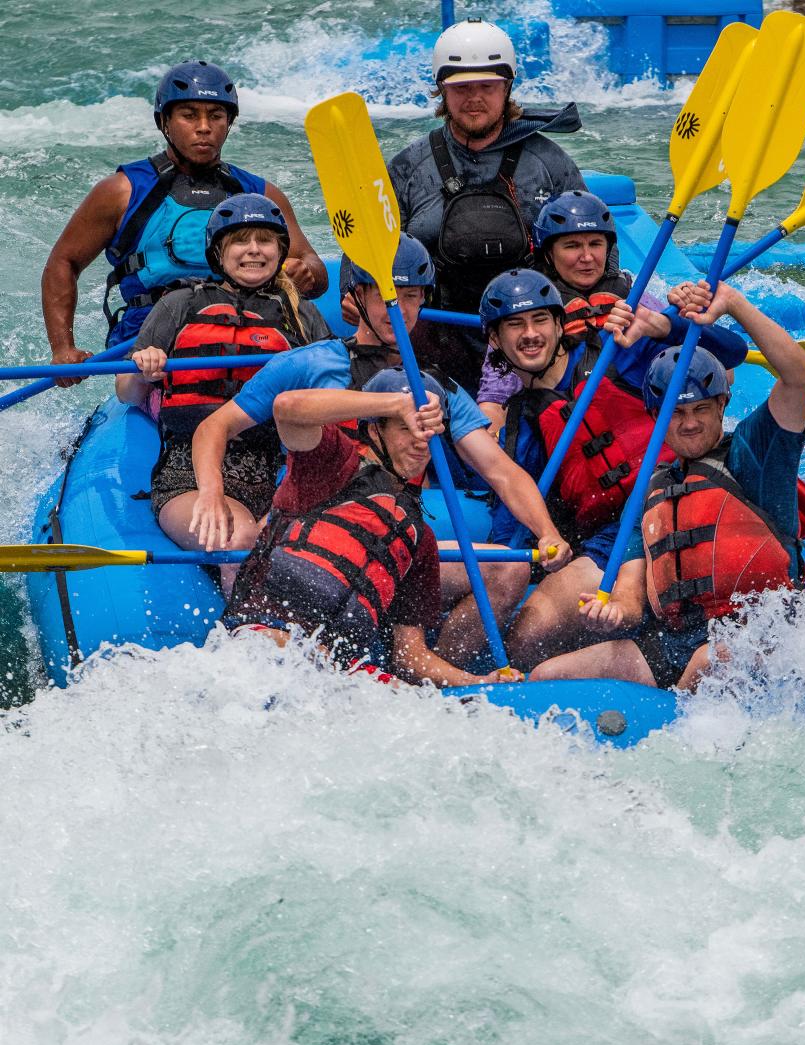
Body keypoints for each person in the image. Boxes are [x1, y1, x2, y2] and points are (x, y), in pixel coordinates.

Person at [191, 235, 573, 667]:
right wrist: (211, 492)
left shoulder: (435, 387)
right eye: (388, 296)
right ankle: (251, 643)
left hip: (393, 541)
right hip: (313, 523)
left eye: (411, 297)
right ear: (356, 295)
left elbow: (501, 471)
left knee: (509, 569)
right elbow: (215, 426)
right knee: (247, 545)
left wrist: (547, 532)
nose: (401, 310)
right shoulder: (313, 363)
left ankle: (432, 673)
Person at [529, 278, 805, 692]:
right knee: (547, 676)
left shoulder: (755, 454)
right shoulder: (650, 490)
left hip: (763, 636)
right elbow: (632, 598)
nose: (688, 423)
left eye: (702, 409)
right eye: (676, 412)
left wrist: (734, 304)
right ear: (656, 415)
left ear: (722, 404)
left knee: (712, 659)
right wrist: (615, 612)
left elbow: (800, 375)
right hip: (677, 643)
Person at [476, 268, 749, 671]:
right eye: (515, 325)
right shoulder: (523, 419)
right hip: (611, 540)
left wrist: (663, 328)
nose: (530, 334)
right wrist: (532, 551)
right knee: (526, 636)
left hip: (678, 497)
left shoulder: (617, 351)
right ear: (495, 340)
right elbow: (513, 513)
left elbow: (731, 354)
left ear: (558, 323)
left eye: (539, 320)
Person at [223, 370, 522, 688]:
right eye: (405, 428)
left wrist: (478, 681)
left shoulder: (418, 539)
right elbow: (286, 406)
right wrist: (396, 403)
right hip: (266, 636)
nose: (420, 442)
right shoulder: (331, 463)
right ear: (375, 431)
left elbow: (410, 656)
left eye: (427, 432)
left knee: (404, 698)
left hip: (338, 668)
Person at [42, 59, 326, 378]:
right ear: (165, 121)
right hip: (151, 347)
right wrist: (63, 348)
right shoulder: (122, 191)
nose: (204, 126)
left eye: (216, 116)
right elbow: (64, 263)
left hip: (245, 335)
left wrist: (307, 273)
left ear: (229, 122)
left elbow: (313, 268)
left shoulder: (260, 194)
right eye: (189, 115)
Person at [115, 193, 329, 595]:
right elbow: (126, 393)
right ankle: (247, 640)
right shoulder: (179, 305)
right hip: (187, 473)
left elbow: (334, 394)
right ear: (219, 251)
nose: (253, 250)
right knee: (237, 539)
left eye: (264, 241)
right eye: (240, 241)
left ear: (280, 250)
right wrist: (145, 366)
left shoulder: (301, 317)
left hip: (269, 472)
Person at [383, 19, 586, 392]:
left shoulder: (550, 163)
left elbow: (597, 249)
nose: (474, 97)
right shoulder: (407, 167)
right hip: (437, 328)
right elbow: (370, 246)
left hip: (530, 335)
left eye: (487, 86)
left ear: (507, 87)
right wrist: (354, 291)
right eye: (461, 88)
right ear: (441, 90)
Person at [477, 188, 663, 438]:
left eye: (595, 244)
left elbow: (717, 372)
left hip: (628, 418)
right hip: (560, 431)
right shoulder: (526, 312)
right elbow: (495, 398)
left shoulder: (634, 297)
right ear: (549, 254)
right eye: (572, 246)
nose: (587, 257)